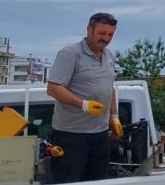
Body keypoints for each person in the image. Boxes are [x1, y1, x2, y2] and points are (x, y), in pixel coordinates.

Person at [46, 12, 122, 183]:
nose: (106, 38)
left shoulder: (109, 56)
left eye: (110, 34)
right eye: (102, 33)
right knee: (69, 181)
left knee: (98, 181)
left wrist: (114, 116)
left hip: (100, 134)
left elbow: (109, 87)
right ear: (89, 30)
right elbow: (53, 88)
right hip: (71, 136)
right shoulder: (70, 54)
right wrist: (83, 105)